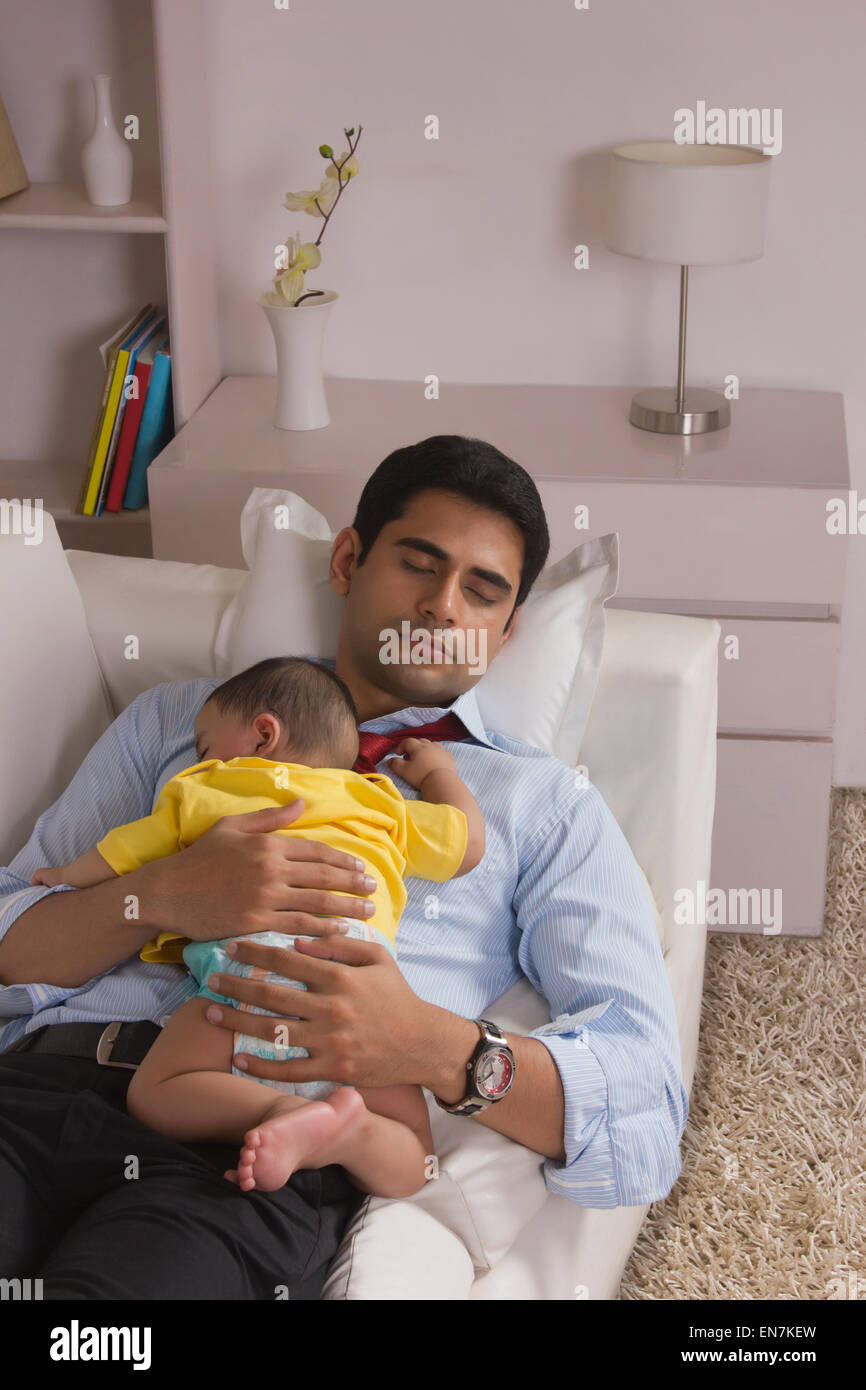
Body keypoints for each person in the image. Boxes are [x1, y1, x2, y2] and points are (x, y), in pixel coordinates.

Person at [0, 434, 688, 1301]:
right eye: (420, 563)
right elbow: (12, 943)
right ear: (349, 560)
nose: (442, 606)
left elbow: (644, 1116)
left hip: (254, 1158)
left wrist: (430, 1045)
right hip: (40, 1085)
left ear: (506, 634)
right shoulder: (178, 722)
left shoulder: (539, 807)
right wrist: (162, 893)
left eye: (482, 591)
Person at [29, 655, 485, 1198]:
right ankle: (350, 1130)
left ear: (262, 735)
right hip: (358, 1002)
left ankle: (278, 1109)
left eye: (204, 745)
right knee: (414, 1156)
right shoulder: (380, 805)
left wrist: (62, 874)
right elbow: (465, 846)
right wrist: (440, 775)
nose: (199, 758)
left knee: (155, 1090)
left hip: (249, 978)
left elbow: (124, 853)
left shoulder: (211, 787)